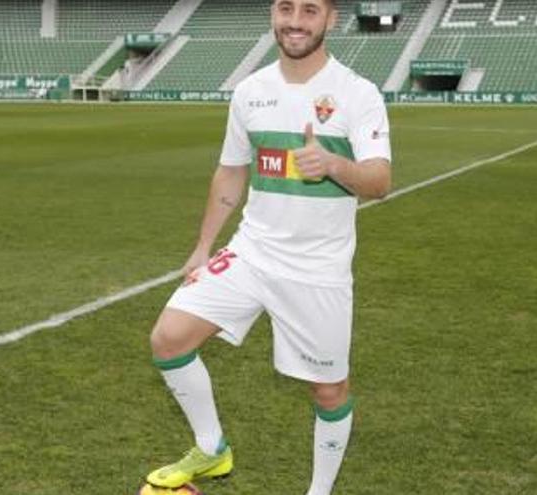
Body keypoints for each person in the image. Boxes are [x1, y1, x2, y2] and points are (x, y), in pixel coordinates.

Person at [145, 0, 392, 493]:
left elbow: (380, 180)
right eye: (285, 9)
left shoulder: (357, 94)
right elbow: (232, 169)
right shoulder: (250, 90)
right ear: (272, 14)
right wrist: (204, 246)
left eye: (308, 10)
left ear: (330, 18)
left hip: (317, 268)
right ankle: (212, 449)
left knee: (327, 389)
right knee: (169, 339)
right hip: (252, 252)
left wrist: (335, 166)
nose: (295, 21)